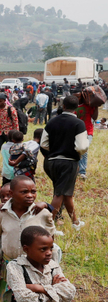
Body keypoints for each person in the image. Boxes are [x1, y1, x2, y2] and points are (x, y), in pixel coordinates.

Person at [41, 94, 88, 230]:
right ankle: (48, 224)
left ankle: (75, 222)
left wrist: (55, 151)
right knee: (59, 193)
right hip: (68, 162)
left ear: (63, 106)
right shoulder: (79, 123)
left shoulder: (52, 121)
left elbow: (44, 144)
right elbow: (81, 146)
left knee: (66, 193)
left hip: (51, 162)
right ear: (77, 107)